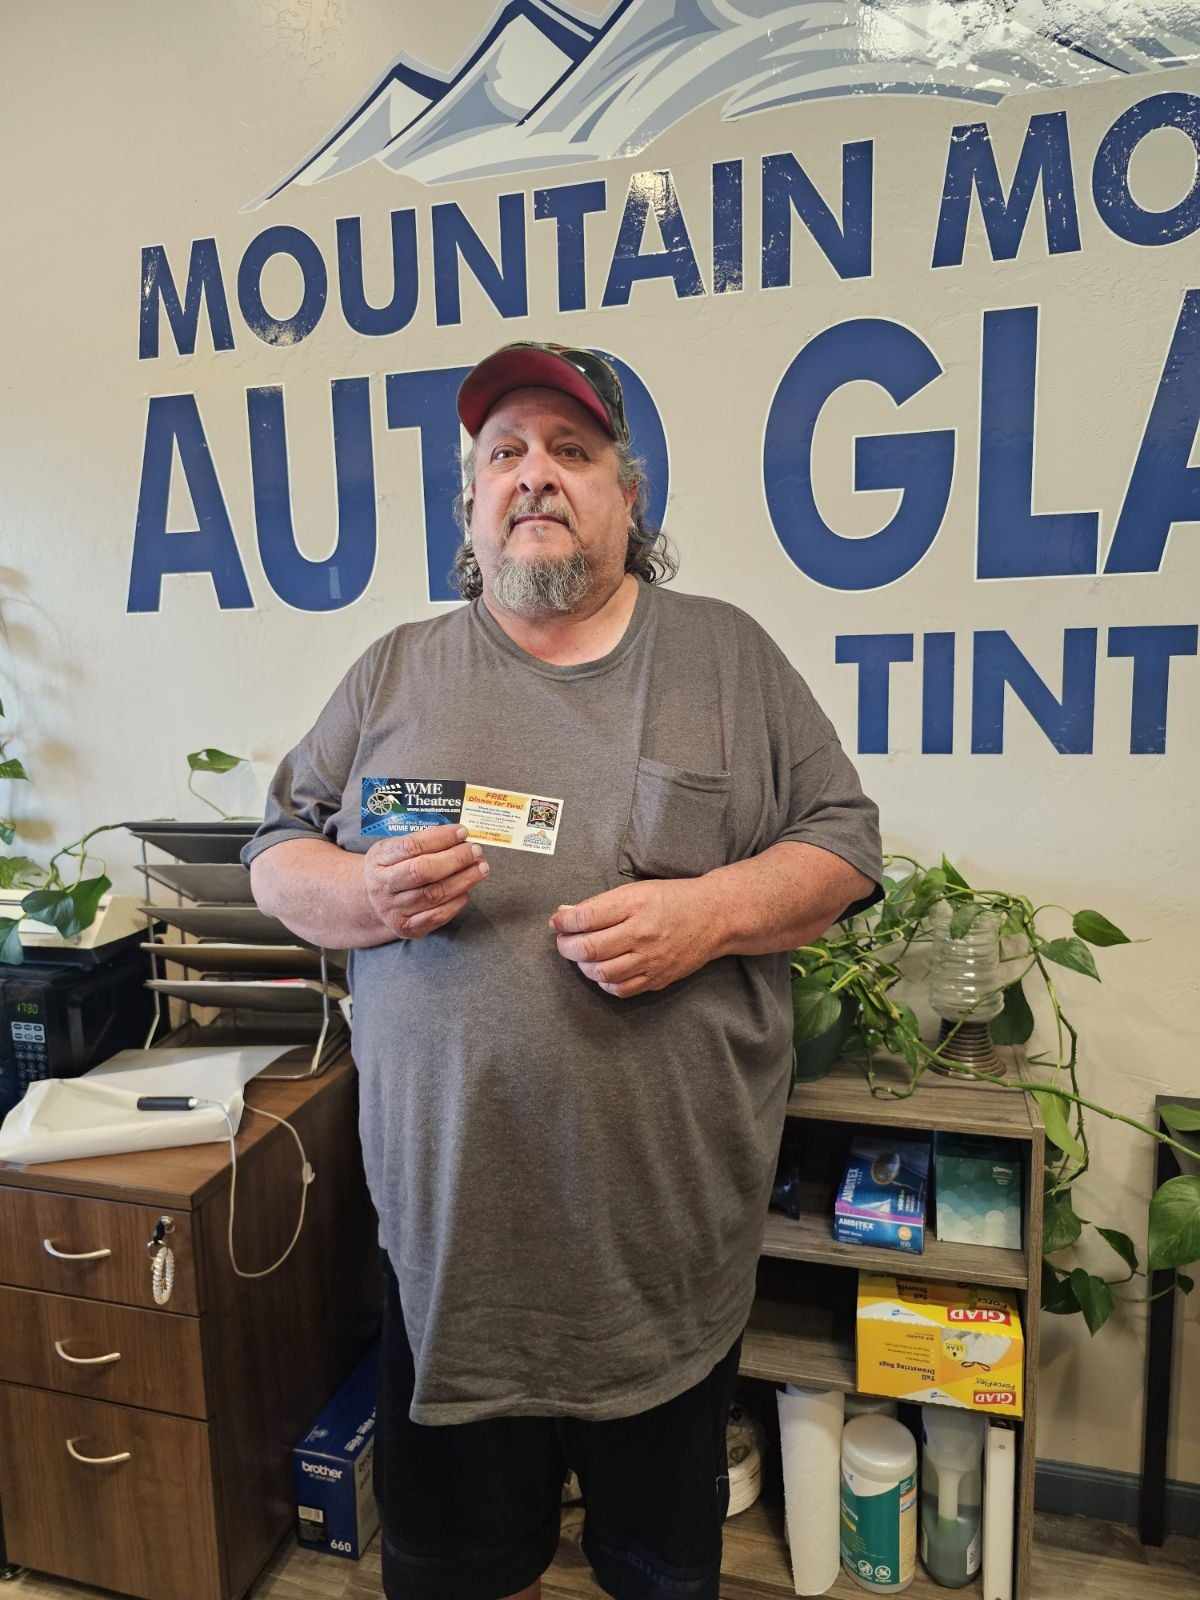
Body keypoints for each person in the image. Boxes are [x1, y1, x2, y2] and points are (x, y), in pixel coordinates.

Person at [243, 341, 884, 1600]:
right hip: (452, 1263)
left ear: (628, 497)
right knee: (460, 1573)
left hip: (665, 1263)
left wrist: (708, 913)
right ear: (471, 505)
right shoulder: (394, 671)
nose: (534, 475)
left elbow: (845, 849)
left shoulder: (729, 659)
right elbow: (276, 852)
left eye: (571, 450)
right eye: (505, 454)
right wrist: (364, 896)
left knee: (657, 1572)